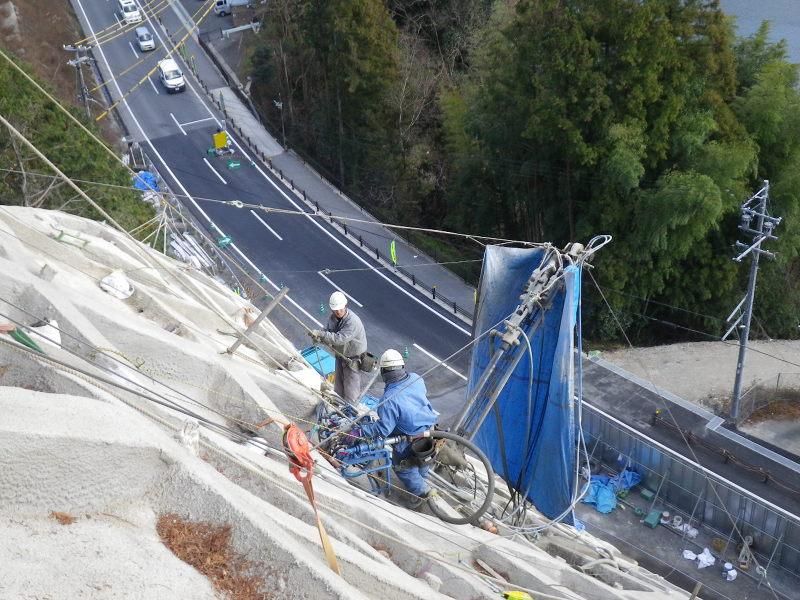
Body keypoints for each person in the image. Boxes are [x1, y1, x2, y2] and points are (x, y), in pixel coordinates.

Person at [358, 349, 439, 507]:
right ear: (402, 366)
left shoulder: (389, 400)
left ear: (384, 372)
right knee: (422, 461)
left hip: (410, 439)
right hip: (430, 429)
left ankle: (422, 492)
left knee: (403, 466)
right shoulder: (416, 379)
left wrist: (362, 429)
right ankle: (422, 480)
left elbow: (382, 430)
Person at [309, 291, 367, 404]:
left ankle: (350, 411)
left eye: (340, 309)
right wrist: (319, 336)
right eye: (335, 310)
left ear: (345, 306)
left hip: (353, 359)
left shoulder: (352, 321)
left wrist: (321, 335)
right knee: (339, 386)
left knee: (351, 389)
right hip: (341, 355)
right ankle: (338, 406)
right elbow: (329, 332)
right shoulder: (333, 318)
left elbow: (339, 339)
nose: (338, 312)